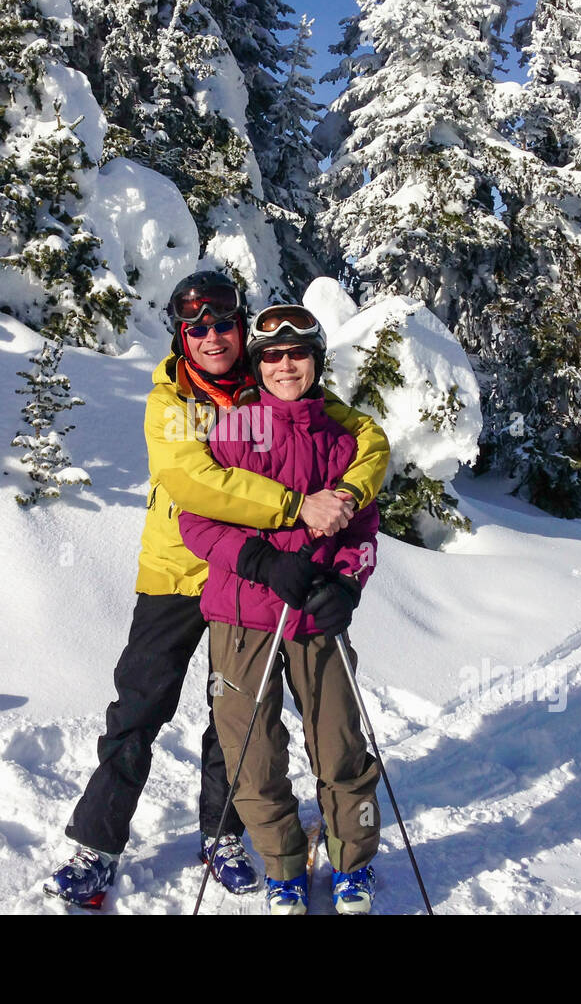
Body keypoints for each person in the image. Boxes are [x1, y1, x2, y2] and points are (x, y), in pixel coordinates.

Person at [43, 272, 390, 908]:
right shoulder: (171, 400)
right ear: (181, 335)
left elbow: (363, 438)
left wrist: (345, 495)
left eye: (222, 323)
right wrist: (295, 508)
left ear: (242, 328)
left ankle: (224, 831)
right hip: (182, 571)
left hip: (249, 587)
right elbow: (193, 482)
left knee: (233, 720)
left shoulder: (272, 379)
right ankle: (97, 844)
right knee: (140, 706)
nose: (210, 336)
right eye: (195, 327)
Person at [178, 304, 383, 915]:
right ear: (257, 363)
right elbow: (197, 522)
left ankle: (352, 863)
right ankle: (284, 866)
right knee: (252, 755)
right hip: (242, 617)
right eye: (272, 355)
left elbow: (365, 529)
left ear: (316, 362)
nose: (285, 365)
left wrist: (346, 583)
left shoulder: (344, 440)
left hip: (317, 616)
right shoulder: (234, 431)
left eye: (297, 354)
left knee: (340, 745)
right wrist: (262, 563)